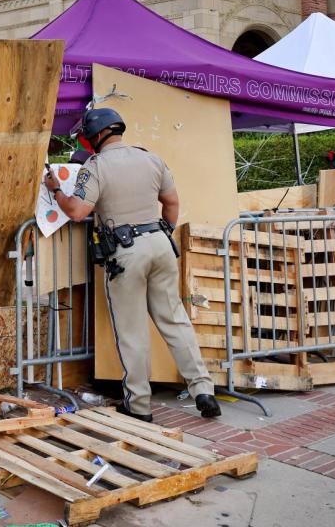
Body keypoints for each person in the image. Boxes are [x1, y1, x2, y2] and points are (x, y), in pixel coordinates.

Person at [46, 107, 220, 422]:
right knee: (175, 321)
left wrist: (56, 190)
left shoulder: (96, 167)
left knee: (132, 332)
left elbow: (76, 211)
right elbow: (172, 203)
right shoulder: (152, 159)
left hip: (126, 253)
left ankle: (138, 405)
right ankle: (203, 389)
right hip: (160, 245)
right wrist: (162, 231)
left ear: (96, 136)